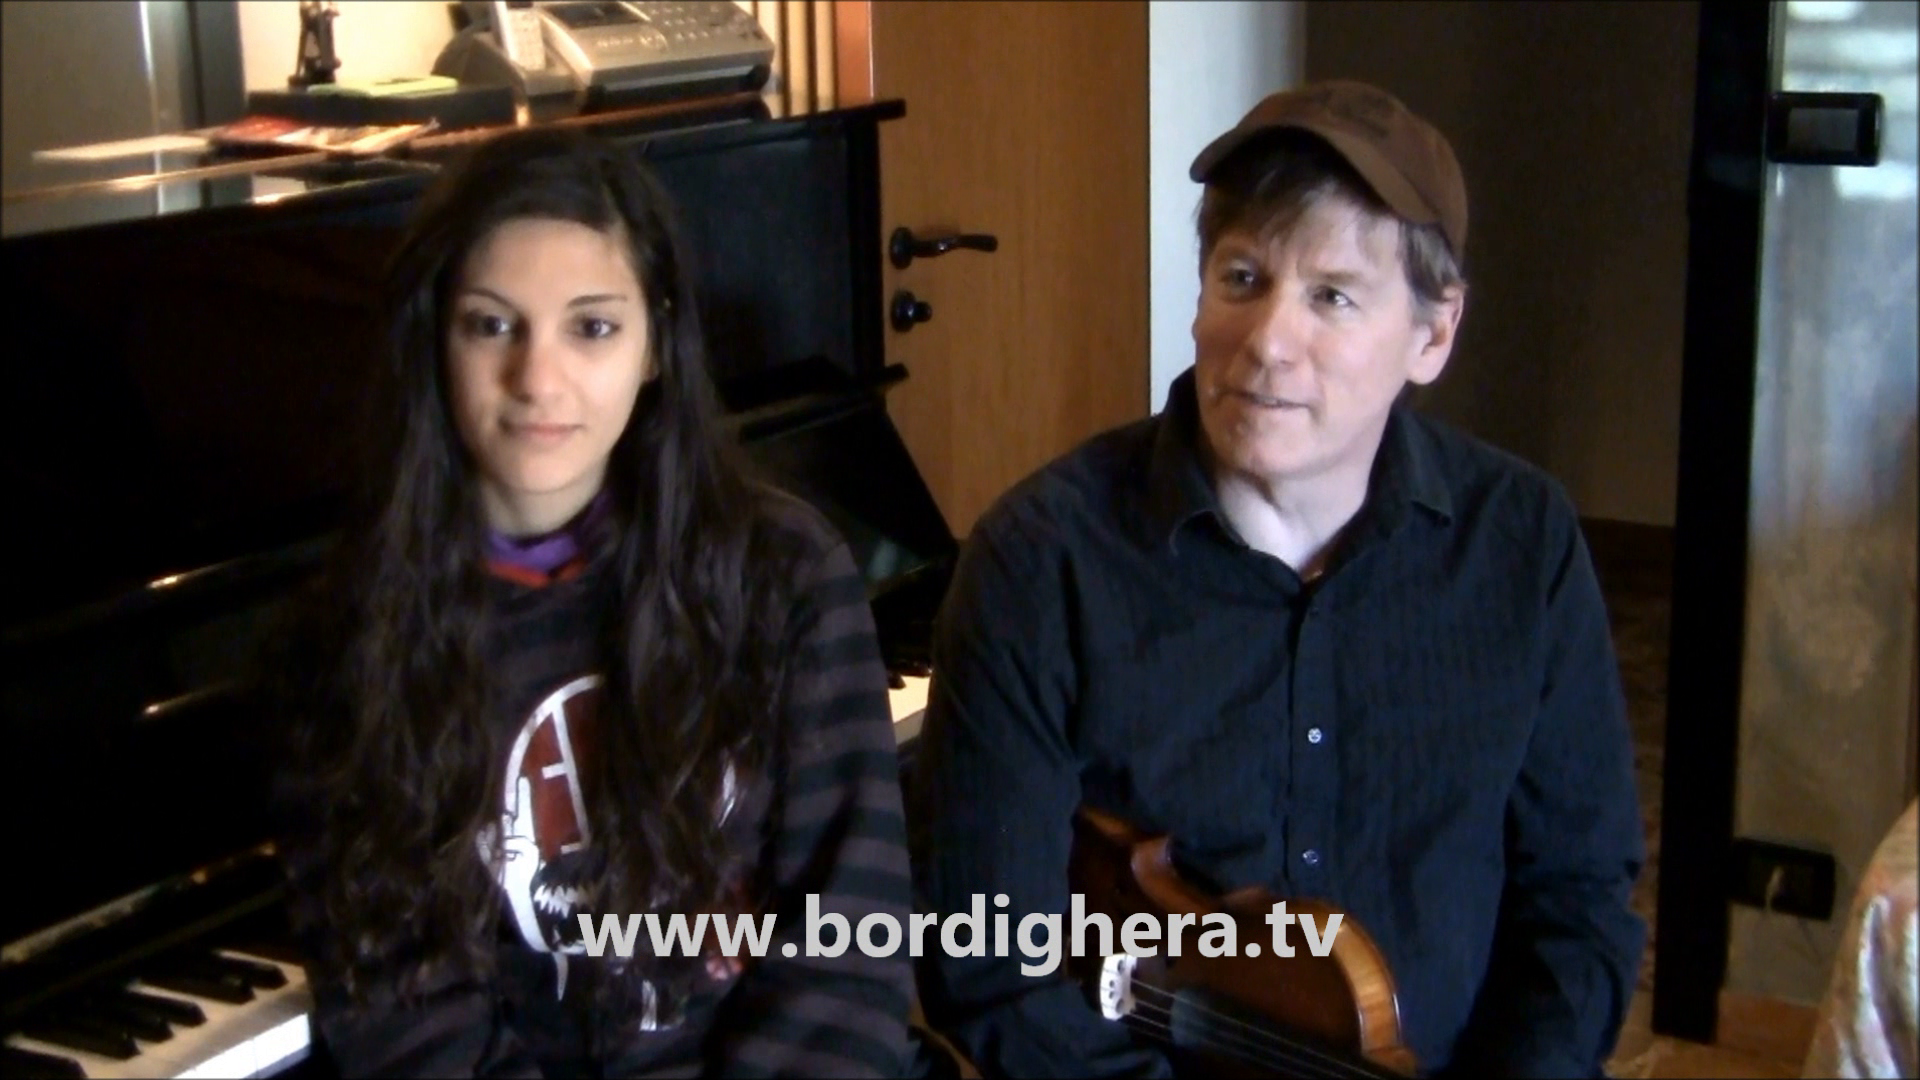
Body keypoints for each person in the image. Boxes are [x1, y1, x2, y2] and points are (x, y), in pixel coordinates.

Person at [906, 80, 1646, 1078]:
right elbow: (992, 964)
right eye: (1243, 278)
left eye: (1331, 296)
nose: (1265, 341)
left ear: (1433, 334)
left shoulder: (1523, 541)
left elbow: (1579, 896)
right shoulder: (1039, 560)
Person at [267, 126, 914, 1077]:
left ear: (654, 345)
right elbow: (406, 1020)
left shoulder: (785, 574)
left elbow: (847, 951)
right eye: (492, 325)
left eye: (593, 328)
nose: (538, 379)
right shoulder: (342, 639)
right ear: (436, 339)